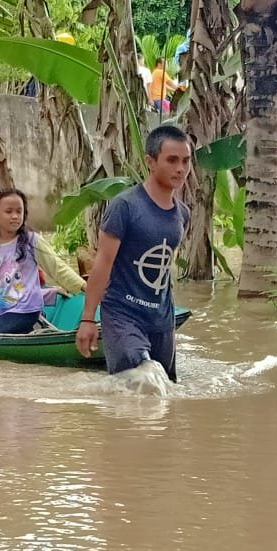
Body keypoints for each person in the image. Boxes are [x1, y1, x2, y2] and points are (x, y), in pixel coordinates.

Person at [76, 124, 192, 382]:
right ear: (151, 162)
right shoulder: (125, 206)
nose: (181, 168)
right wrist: (87, 319)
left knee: (164, 390)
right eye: (172, 160)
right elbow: (102, 264)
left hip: (161, 318)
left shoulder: (182, 214)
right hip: (123, 313)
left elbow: (165, 267)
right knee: (138, 381)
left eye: (186, 161)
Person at [0, 188, 86, 334]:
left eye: (19, 211)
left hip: (25, 311)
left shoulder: (32, 241)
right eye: (9, 212)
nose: (15, 216)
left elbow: (58, 268)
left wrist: (86, 287)